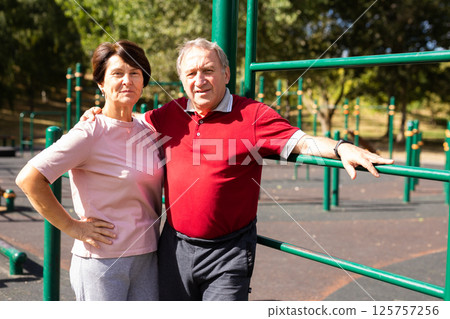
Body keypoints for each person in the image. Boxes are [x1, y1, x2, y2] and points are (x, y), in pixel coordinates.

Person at [82, 38, 394, 301]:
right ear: (181, 79)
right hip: (174, 246)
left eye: (208, 70)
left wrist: (341, 148)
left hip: (228, 251)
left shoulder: (254, 115)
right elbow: (127, 121)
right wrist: (99, 111)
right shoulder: (167, 114)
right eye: (191, 73)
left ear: (226, 73)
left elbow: (304, 142)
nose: (199, 80)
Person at [16, 40, 163, 301]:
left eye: (134, 73)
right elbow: (29, 179)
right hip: (103, 262)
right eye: (117, 74)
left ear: (144, 81)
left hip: (148, 257)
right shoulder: (90, 130)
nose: (127, 80)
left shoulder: (148, 131)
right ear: (101, 84)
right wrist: (73, 227)